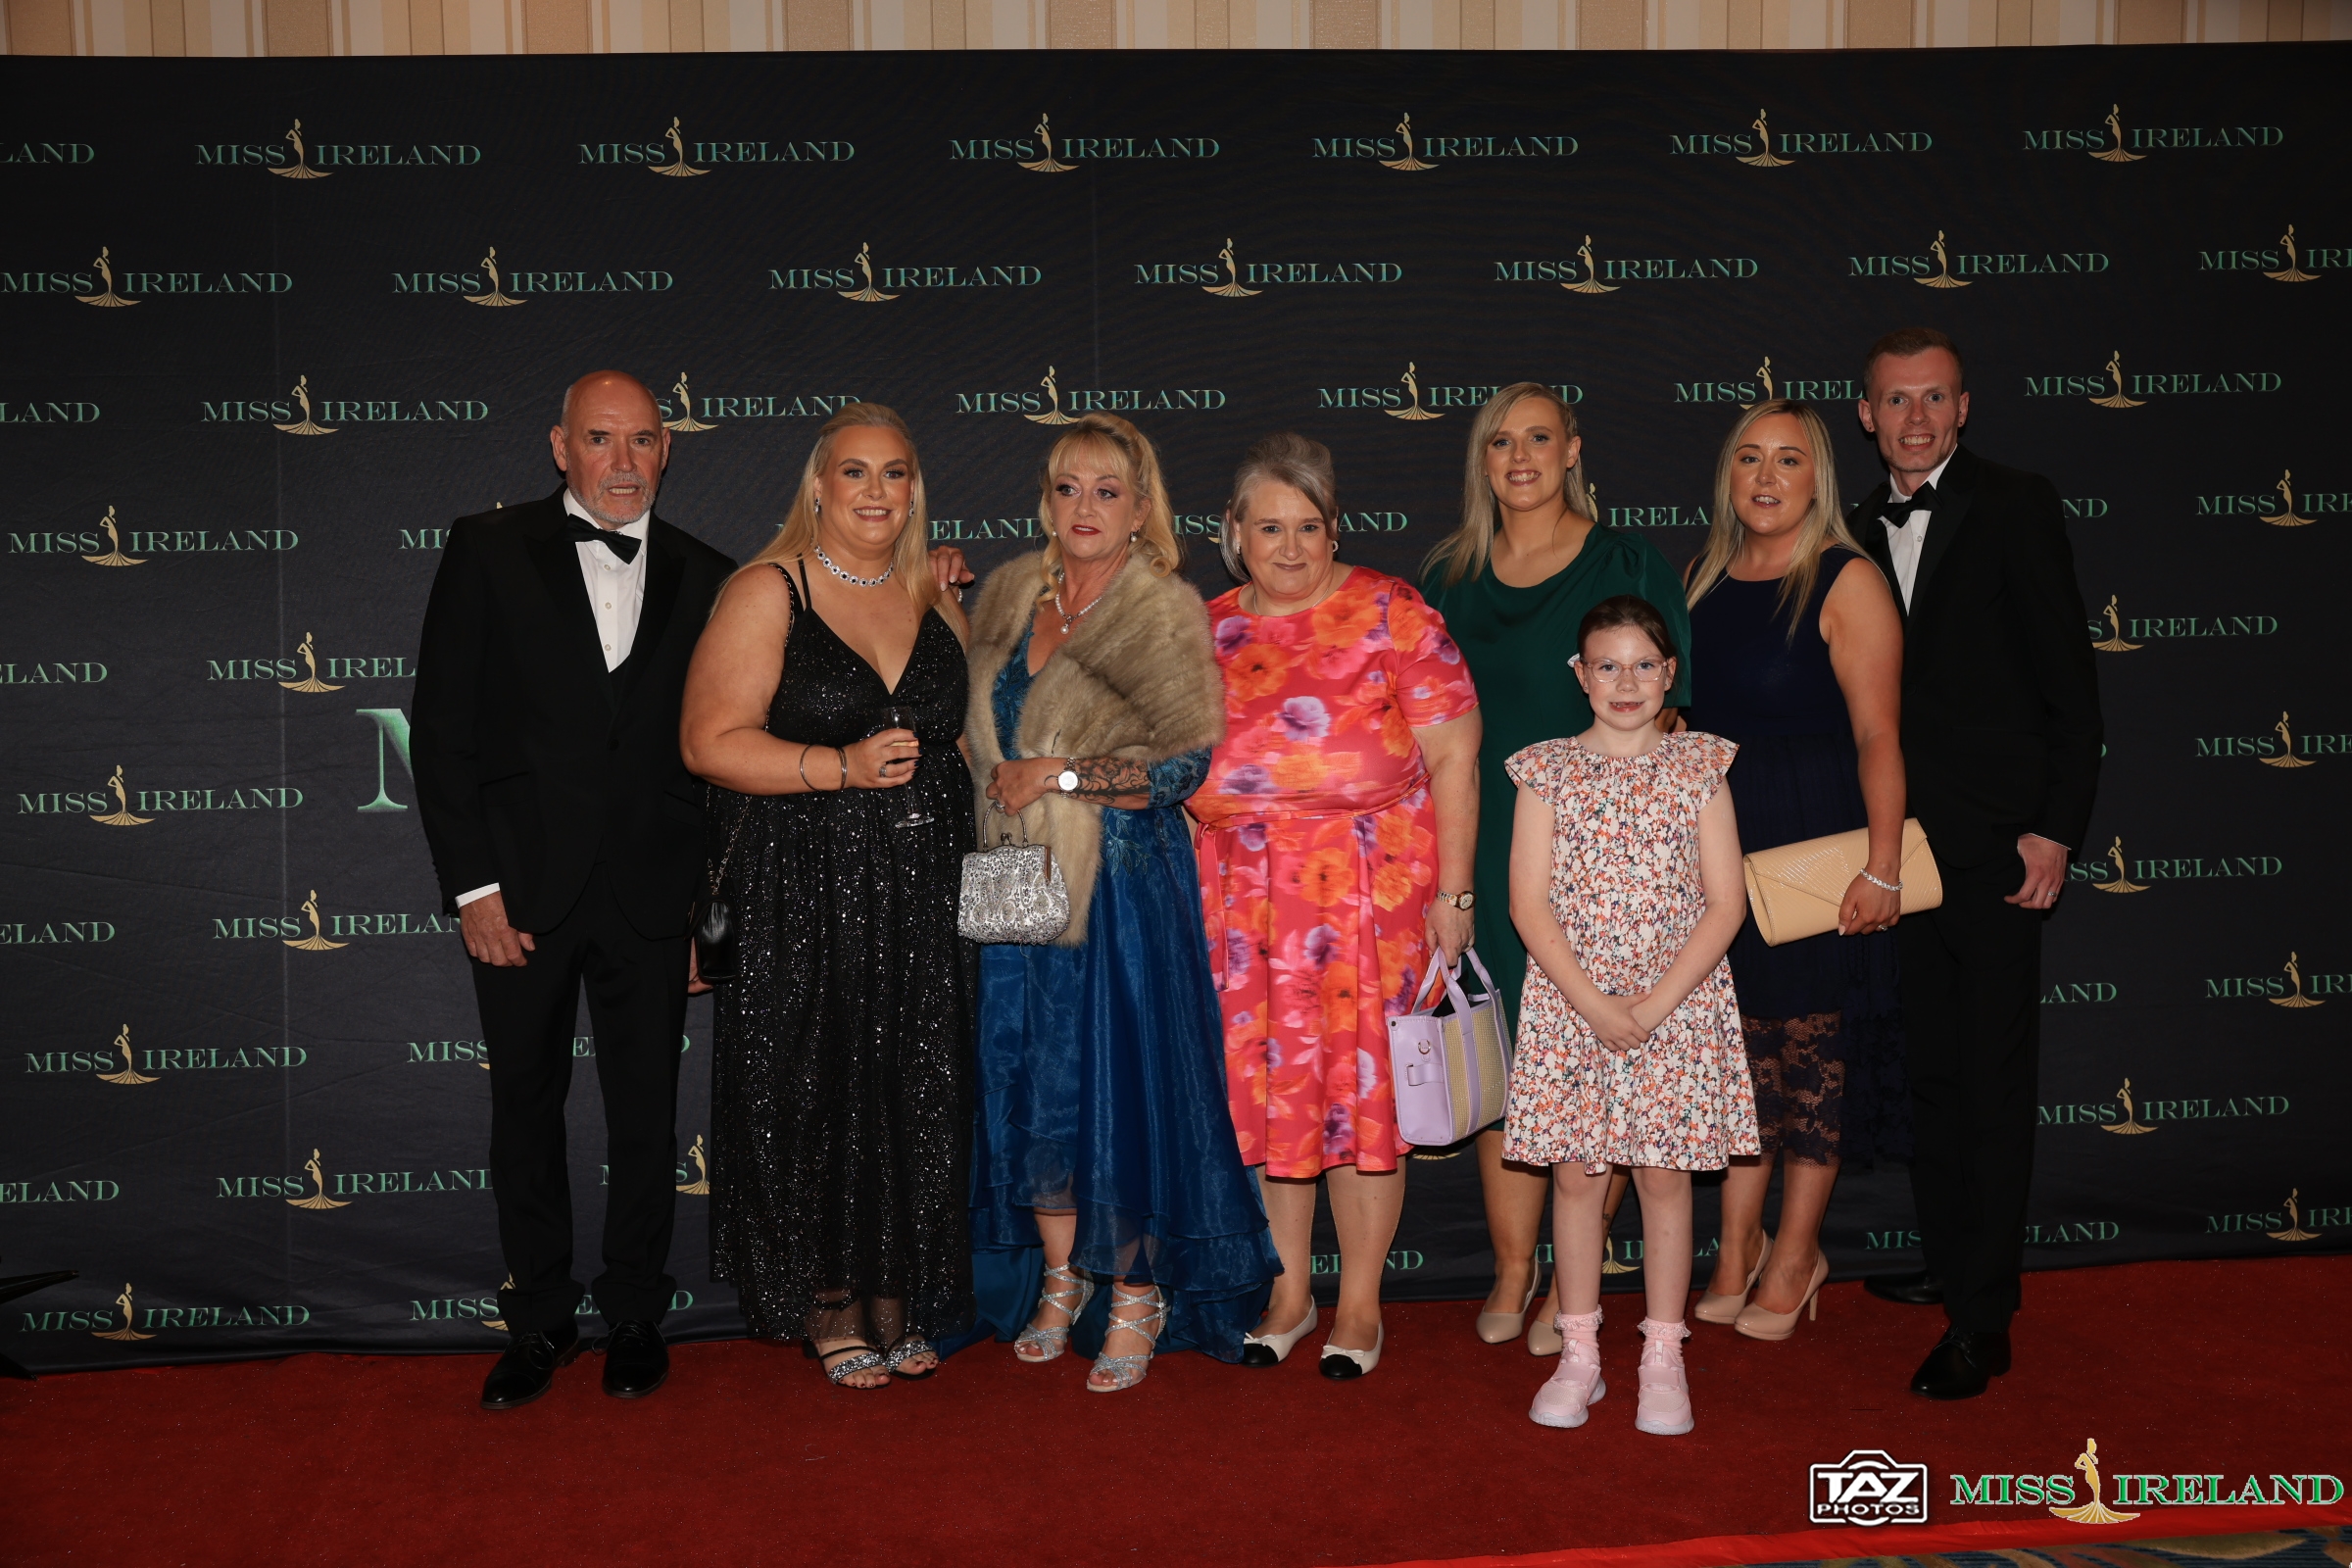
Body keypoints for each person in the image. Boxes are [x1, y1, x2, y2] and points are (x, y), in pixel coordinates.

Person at [412, 370, 736, 1409]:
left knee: (647, 1114)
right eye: (601, 439)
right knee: (525, 1107)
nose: (623, 461)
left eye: (643, 440)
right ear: (561, 447)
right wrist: (473, 887)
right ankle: (541, 1319)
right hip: (521, 892)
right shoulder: (486, 549)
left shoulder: (710, 574)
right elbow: (442, 733)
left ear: (667, 449)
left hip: (655, 894)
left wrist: (710, 920)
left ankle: (636, 1310)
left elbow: (724, 764)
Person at [962, 413, 1278, 1393]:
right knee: (1030, 1080)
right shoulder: (1008, 594)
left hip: (1121, 886)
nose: (1086, 507)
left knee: (1119, 1086)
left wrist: (1059, 775)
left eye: (1108, 490)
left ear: (1142, 509)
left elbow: (1182, 768)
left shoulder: (1163, 609)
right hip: (1015, 874)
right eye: (1068, 488)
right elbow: (970, 717)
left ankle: (1137, 1292)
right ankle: (1062, 1280)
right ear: (1046, 502)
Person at [679, 403, 975, 1389]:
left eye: (895, 473)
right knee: (814, 1084)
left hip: (922, 892)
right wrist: (839, 765)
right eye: (855, 471)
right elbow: (707, 742)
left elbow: (965, 738)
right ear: (818, 486)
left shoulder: (933, 593)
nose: (876, 491)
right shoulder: (769, 590)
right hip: (802, 888)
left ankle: (897, 1296)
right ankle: (829, 1302)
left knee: (912, 1082)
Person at [1192, 433, 1482, 1380]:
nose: (1289, 546)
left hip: (1370, 904)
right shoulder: (1202, 631)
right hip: (1247, 914)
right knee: (1275, 1101)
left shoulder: (1393, 612)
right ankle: (1289, 1294)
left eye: (1307, 526)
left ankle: (1360, 1302)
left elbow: (1455, 759)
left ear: (1334, 529)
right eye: (1268, 527)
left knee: (1363, 1104)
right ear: (1233, 532)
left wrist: (1455, 896)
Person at [1848, 327, 2101, 1399]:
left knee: (1992, 1084)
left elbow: (2070, 680)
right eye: (1897, 400)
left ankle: (1985, 1319)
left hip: (1998, 846)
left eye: (1935, 398)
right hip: (1895, 852)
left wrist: (2056, 825)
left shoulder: (2015, 503)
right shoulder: (1850, 525)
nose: (1916, 418)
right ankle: (1954, 1262)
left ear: (1964, 408)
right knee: (1934, 1075)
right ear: (1867, 414)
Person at [1419, 383, 1691, 1354]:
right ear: (1483, 459)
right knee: (1508, 1057)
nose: (1522, 456)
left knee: (1593, 1061)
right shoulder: (1448, 575)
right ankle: (1512, 1266)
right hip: (1482, 846)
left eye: (1540, 437)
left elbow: (1669, 716)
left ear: (1573, 449)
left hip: (1600, 859)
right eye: (1501, 441)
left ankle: (1572, 1279)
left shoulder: (1628, 563)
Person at [1684, 401, 1908, 1341]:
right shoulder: (1700, 579)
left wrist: (1884, 867)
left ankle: (1797, 1254)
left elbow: (1880, 733)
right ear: (1728, 476)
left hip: (1817, 836)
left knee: (1813, 1050)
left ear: (1819, 477)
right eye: (1749, 458)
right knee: (1741, 1056)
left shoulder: (1847, 578)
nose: (1766, 477)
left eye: (1788, 460)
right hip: (1722, 844)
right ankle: (1736, 1248)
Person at [1505, 595, 1755, 1435]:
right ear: (1579, 676)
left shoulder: (1700, 767)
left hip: (1675, 1006)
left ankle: (1662, 1356)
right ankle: (1580, 1355)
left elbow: (1725, 903)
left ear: (1670, 674)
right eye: (1607, 666)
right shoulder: (1545, 771)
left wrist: (1651, 1007)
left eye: (1644, 665)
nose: (1626, 682)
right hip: (1572, 1006)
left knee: (1664, 1178)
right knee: (1578, 1179)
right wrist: (1594, 1006)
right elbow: (1528, 904)